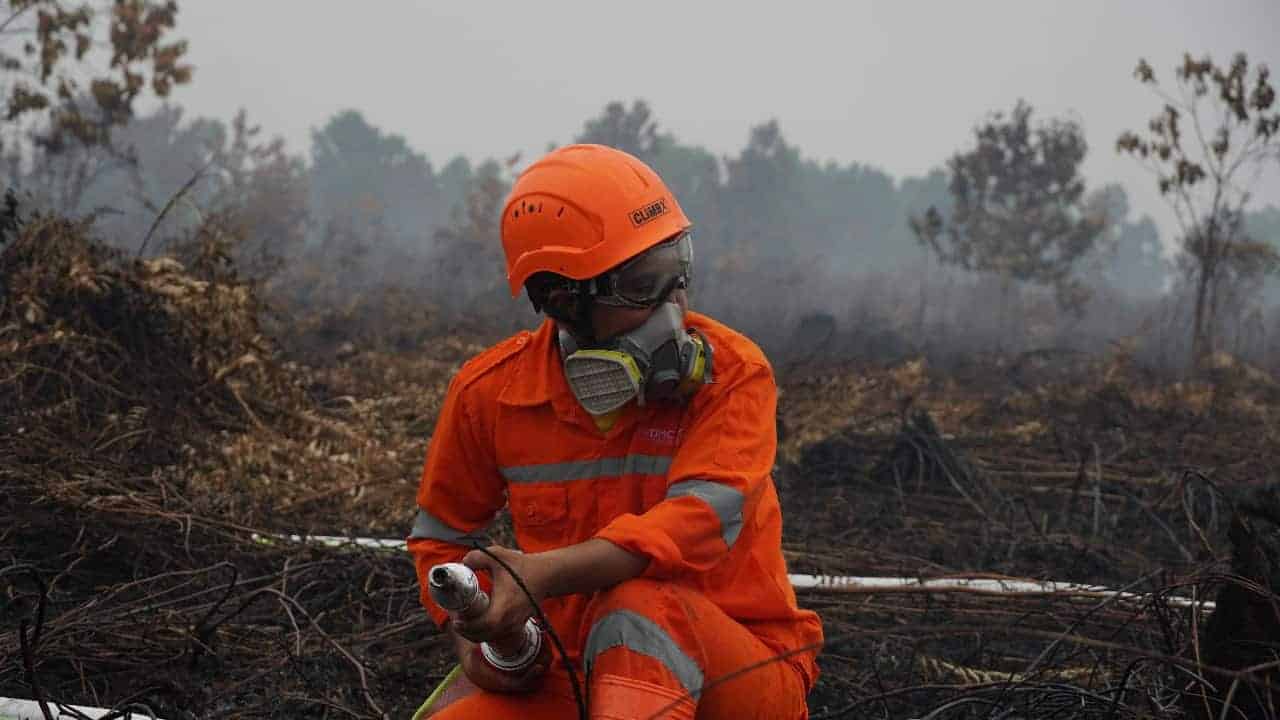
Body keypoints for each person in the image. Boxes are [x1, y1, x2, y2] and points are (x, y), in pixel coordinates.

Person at [407, 144, 823, 720]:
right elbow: (440, 539)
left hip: (743, 674)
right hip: (571, 674)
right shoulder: (491, 396)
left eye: (678, 269)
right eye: (642, 283)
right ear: (560, 298)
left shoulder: (732, 374)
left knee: (641, 608)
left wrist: (543, 575)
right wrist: (473, 634)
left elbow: (696, 526)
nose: (672, 302)